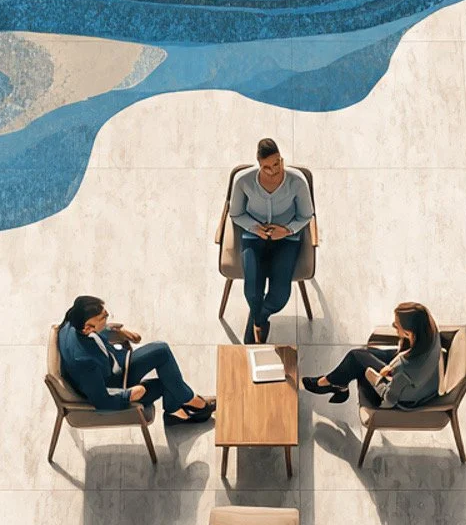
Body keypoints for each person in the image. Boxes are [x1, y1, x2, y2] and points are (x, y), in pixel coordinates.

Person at [57, 295, 215, 425]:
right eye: (103, 317)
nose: (107, 317)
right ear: (88, 327)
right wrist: (130, 394)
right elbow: (102, 401)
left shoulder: (72, 320)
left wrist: (117, 331)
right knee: (166, 382)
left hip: (114, 363)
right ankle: (190, 405)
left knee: (162, 350)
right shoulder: (83, 362)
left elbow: (94, 332)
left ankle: (181, 407)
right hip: (115, 385)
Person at [229, 138, 314, 343]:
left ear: (281, 159)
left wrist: (286, 231)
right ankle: (258, 323)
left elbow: (306, 215)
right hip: (254, 236)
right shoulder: (243, 181)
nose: (274, 170)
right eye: (267, 167)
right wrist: (254, 228)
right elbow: (236, 214)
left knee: (279, 295)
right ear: (259, 163)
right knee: (252, 290)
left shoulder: (297, 181)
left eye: (277, 163)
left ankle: (259, 319)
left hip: (286, 239)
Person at [302, 302, 443, 408]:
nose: (393, 325)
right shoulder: (430, 331)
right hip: (423, 382)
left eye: (396, 325)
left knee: (355, 358)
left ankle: (327, 383)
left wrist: (373, 377)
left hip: (405, 398)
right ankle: (337, 384)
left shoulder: (405, 367)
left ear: (409, 333)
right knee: (359, 356)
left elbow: (389, 400)